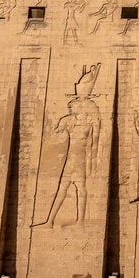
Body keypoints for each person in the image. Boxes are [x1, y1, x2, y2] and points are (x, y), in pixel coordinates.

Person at [33, 96, 99, 227]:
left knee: (80, 189)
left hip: (80, 160)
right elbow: (56, 133)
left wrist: (91, 165)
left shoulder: (89, 122)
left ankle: (80, 221)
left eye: (72, 106)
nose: (69, 108)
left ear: (80, 108)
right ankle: (50, 221)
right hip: (70, 159)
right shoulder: (67, 120)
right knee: (62, 189)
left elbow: (92, 145)